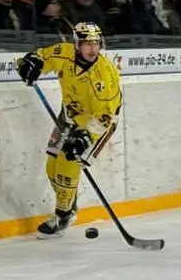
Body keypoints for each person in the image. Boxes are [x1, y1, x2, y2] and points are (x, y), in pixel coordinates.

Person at [16, 22, 122, 237]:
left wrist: (85, 137)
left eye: (96, 43)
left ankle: (63, 215)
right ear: (76, 44)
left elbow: (104, 117)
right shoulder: (64, 53)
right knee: (51, 168)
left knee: (67, 164)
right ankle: (69, 202)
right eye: (87, 43)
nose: (92, 49)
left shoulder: (104, 74)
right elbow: (39, 58)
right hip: (69, 116)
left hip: (99, 123)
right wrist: (28, 64)